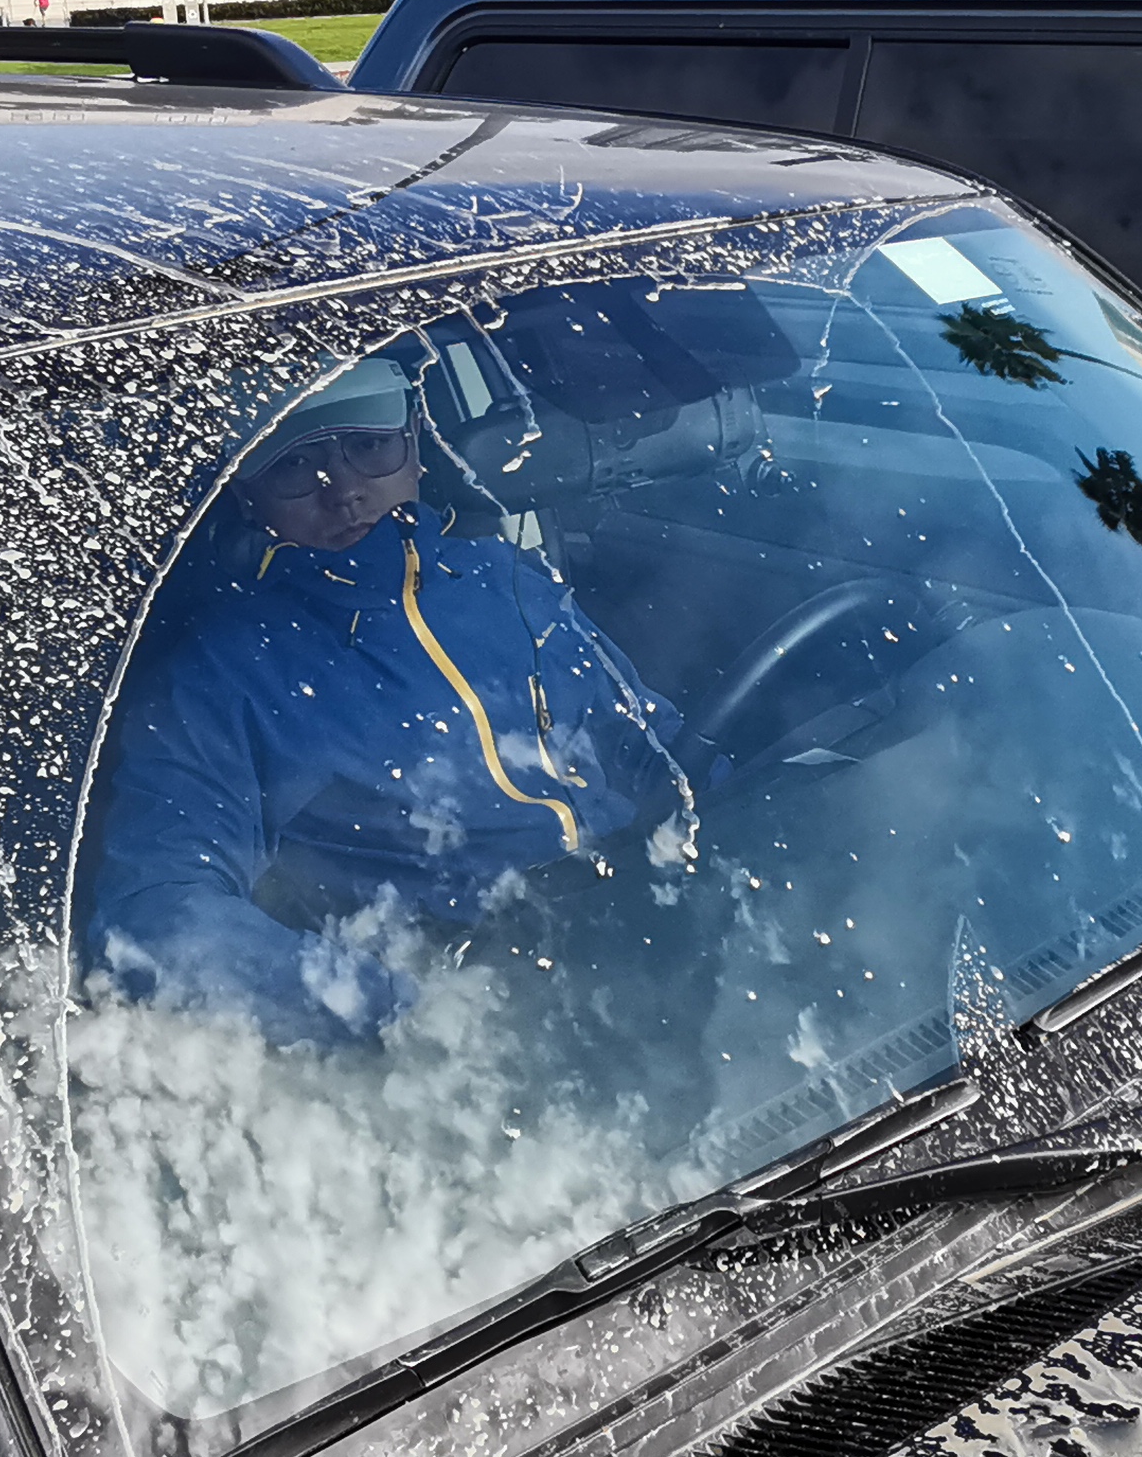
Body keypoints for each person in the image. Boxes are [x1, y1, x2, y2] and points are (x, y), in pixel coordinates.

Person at [83, 349, 702, 1047]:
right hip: (489, 1014)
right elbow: (159, 915)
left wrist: (767, 816)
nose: (342, 490)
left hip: (652, 922)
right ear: (244, 491)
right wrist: (407, 1014)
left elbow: (653, 745)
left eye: (367, 448)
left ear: (414, 447)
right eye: (294, 465)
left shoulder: (509, 580)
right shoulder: (218, 676)